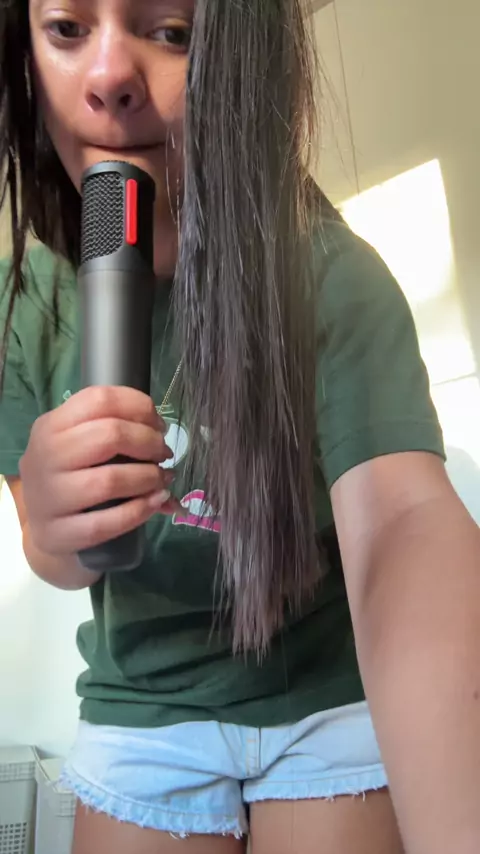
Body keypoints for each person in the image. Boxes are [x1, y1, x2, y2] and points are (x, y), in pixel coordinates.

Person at [0, 1, 479, 853]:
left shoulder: (331, 274)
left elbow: (401, 520)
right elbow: (57, 560)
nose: (108, 77)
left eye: (171, 32)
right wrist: (50, 523)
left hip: (322, 693)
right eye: (68, 29)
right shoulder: (22, 308)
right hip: (142, 701)